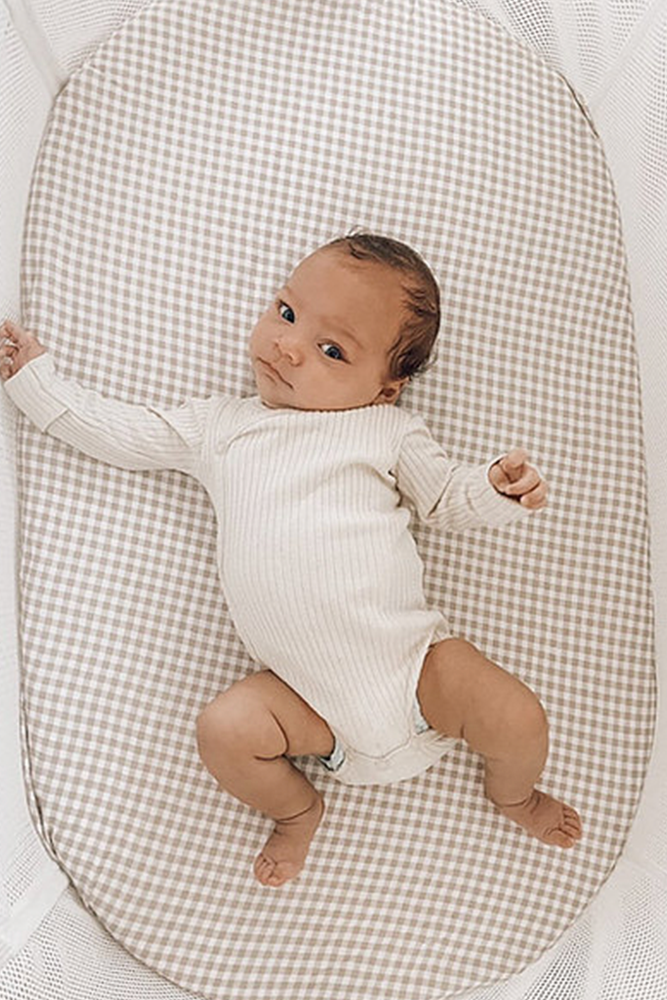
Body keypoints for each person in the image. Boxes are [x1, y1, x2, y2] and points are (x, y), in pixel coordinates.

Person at [1, 232, 582, 888]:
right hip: (306, 707)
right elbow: (123, 433)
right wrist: (35, 382)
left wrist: (497, 490)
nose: (287, 346)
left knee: (516, 716)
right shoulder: (221, 427)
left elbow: (447, 498)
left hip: (416, 672)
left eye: (331, 351)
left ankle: (514, 796)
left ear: (385, 388)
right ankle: (297, 810)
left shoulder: (383, 431)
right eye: (285, 312)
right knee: (223, 730)